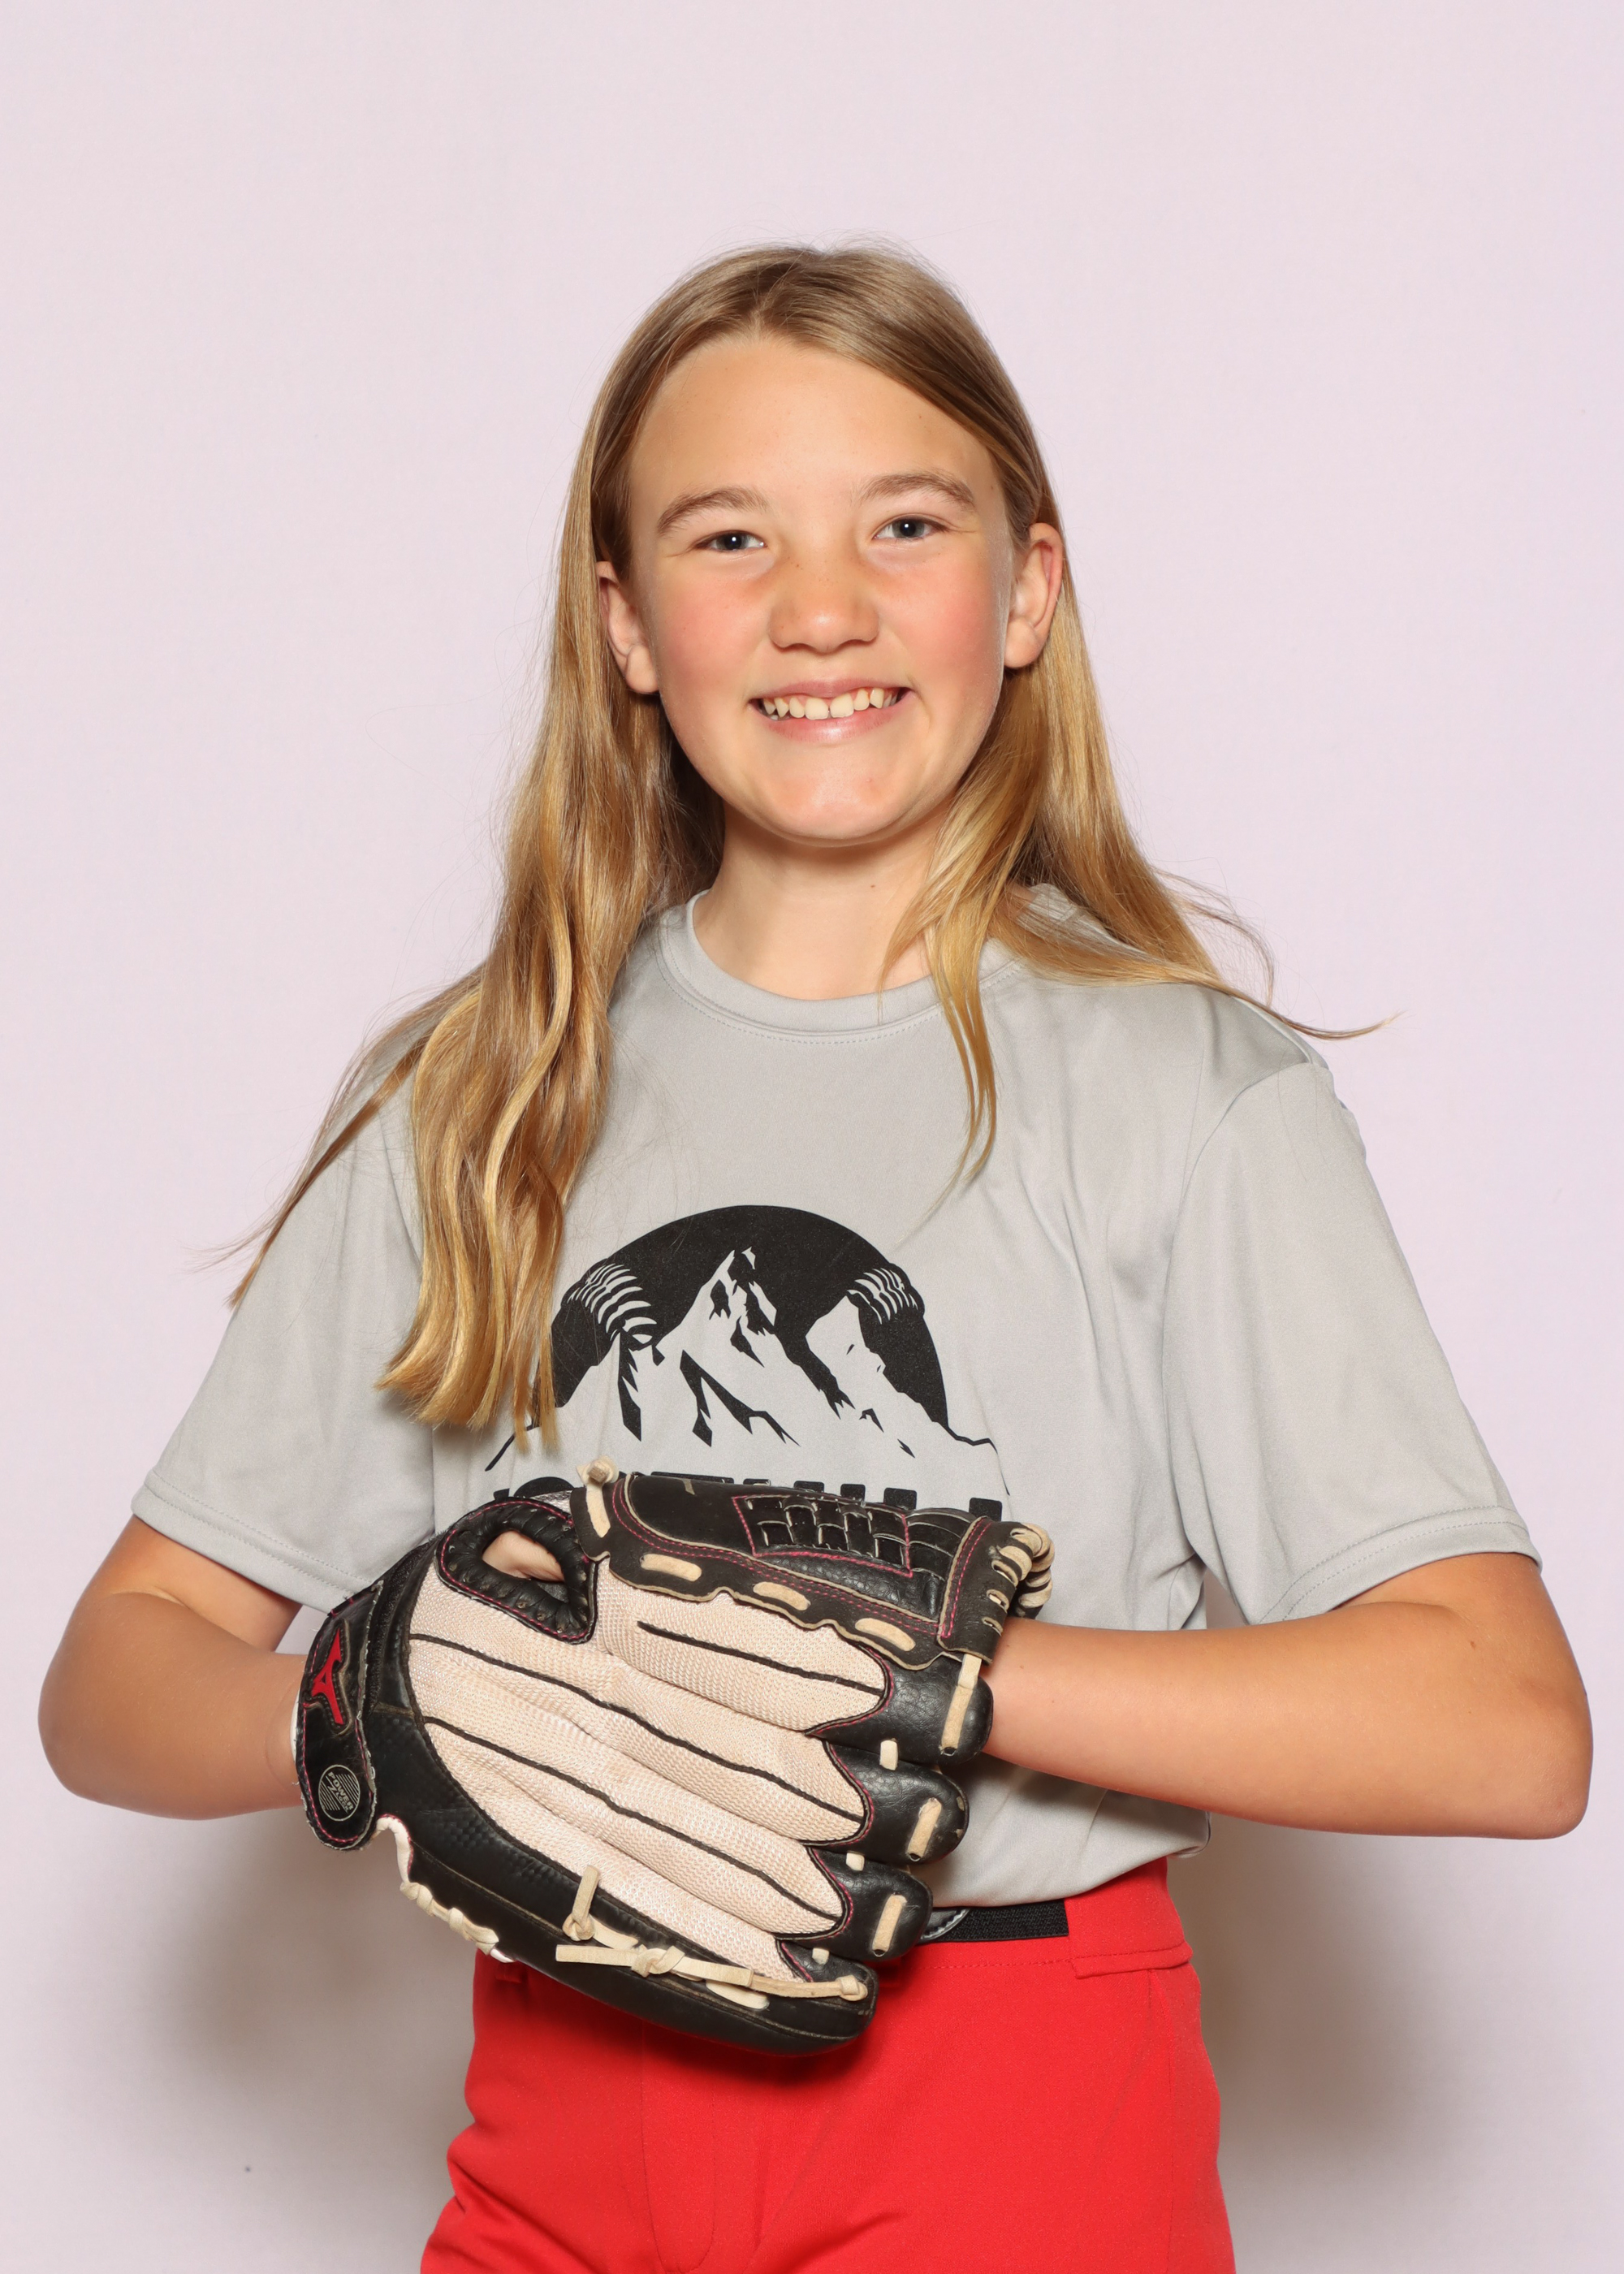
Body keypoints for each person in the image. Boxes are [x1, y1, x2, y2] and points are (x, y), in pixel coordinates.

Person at [40, 244, 1591, 2272]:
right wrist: (368, 1695)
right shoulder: (489, 1093)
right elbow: (113, 1676)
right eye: (730, 535)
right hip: (565, 2097)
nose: (822, 605)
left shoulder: (1183, 1094)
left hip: (1012, 2101)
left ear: (1024, 591)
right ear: (625, 622)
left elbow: (1502, 1723)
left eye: (904, 524)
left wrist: (920, 1673)